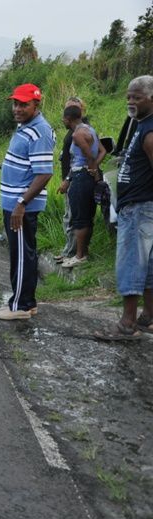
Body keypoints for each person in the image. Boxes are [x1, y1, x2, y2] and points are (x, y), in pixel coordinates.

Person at [94, 75, 153, 341]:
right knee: (148, 267)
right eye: (129, 96)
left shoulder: (150, 133)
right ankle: (148, 317)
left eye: (137, 97)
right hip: (138, 206)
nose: (131, 101)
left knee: (130, 263)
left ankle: (127, 323)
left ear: (151, 98)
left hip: (140, 208)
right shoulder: (139, 125)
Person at [0, 83, 55, 321]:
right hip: (15, 203)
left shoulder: (40, 131)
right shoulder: (25, 126)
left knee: (21, 256)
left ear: (36, 104)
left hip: (21, 207)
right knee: (22, 253)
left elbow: (44, 173)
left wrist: (21, 203)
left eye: (23, 104)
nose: (17, 108)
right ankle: (27, 302)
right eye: (15, 103)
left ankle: (20, 306)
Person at [60, 105, 105, 268]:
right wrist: (93, 170)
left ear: (68, 119)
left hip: (80, 177)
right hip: (87, 176)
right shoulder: (90, 129)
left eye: (64, 119)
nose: (63, 121)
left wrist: (92, 170)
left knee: (79, 218)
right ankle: (84, 253)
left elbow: (91, 156)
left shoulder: (77, 134)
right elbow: (103, 151)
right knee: (87, 215)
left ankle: (79, 256)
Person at [54, 97, 87, 264]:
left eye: (71, 109)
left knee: (73, 216)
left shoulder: (82, 130)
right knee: (69, 215)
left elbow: (81, 159)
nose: (66, 114)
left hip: (74, 178)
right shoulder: (73, 129)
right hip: (69, 176)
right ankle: (68, 250)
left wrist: (68, 179)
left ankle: (72, 252)